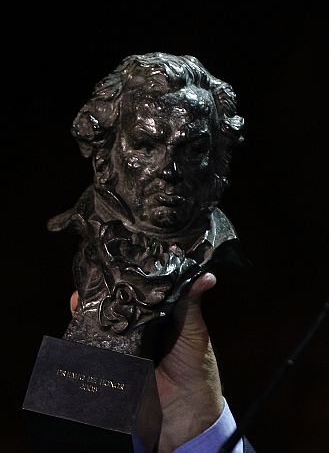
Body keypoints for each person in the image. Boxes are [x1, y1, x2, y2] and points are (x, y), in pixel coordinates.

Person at [56, 53, 254, 452]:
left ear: (218, 155)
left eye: (192, 148)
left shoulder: (214, 244)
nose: (169, 170)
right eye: (145, 145)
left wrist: (197, 425)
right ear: (104, 149)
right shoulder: (87, 229)